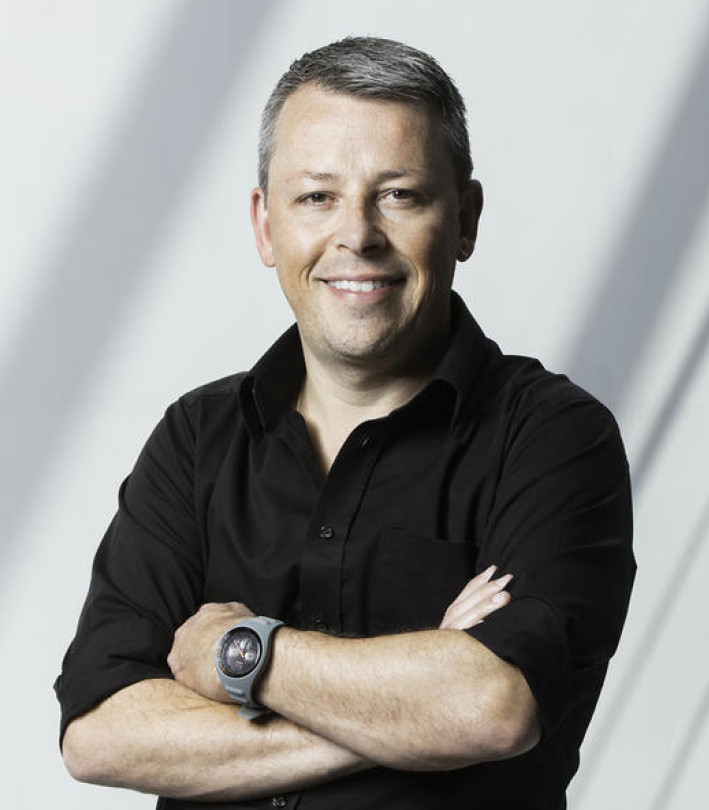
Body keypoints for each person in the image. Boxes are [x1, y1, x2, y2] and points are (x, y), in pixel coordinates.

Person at [54, 36, 635, 809]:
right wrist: (415, 712)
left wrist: (235, 653)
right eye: (317, 197)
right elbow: (99, 732)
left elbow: (492, 708)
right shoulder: (196, 440)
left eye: (400, 195)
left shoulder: (554, 439)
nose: (356, 235)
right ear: (266, 225)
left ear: (464, 219)